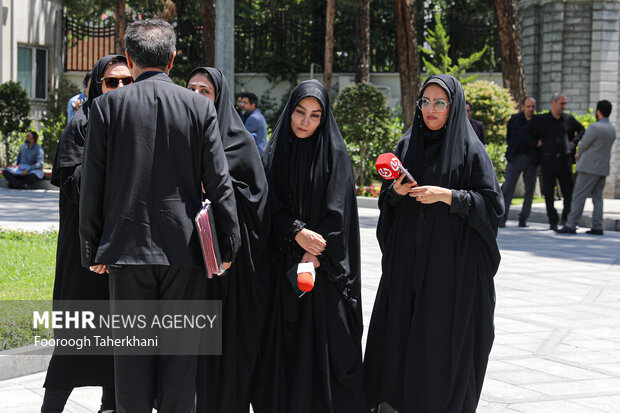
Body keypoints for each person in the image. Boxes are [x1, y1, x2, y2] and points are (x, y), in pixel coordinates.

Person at [79, 19, 240, 413]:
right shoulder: (200, 107)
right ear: (172, 60)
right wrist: (228, 244)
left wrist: (92, 248)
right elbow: (220, 183)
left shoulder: (105, 107)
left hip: (125, 251)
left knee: (131, 366)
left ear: (130, 60)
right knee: (180, 365)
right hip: (185, 253)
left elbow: (92, 186)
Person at [364, 74, 504, 413]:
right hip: (406, 266)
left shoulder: (470, 150)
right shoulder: (407, 145)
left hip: (448, 270)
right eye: (425, 102)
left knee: (438, 340)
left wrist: (449, 196)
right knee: (400, 333)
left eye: (440, 103)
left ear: (454, 108)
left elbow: (492, 206)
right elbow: (388, 203)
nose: (431, 109)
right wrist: (394, 194)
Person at [253, 80, 366, 413]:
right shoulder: (274, 155)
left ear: (323, 118)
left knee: (324, 354)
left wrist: (310, 255)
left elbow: (339, 216)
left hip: (322, 272)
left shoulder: (336, 156)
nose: (305, 122)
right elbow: (265, 207)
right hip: (280, 270)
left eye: (315, 115)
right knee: (282, 352)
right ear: (290, 111)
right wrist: (295, 231)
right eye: (300, 112)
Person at [43, 54, 131, 413]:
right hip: (85, 256)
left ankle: (108, 407)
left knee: (118, 347)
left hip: (122, 253)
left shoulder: (136, 121)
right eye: (112, 82)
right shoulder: (82, 123)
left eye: (128, 81)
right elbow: (73, 182)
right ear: (97, 85)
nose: (121, 89)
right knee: (75, 341)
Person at [186, 67, 270, 413]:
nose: (195, 95)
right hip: (189, 264)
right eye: (189, 88)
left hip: (229, 268)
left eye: (204, 91)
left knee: (225, 346)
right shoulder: (178, 137)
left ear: (218, 98)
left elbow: (258, 202)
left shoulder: (239, 141)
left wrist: (216, 188)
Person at [525, 92, 584, 230]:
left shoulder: (568, 118)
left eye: (565, 104)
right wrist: (535, 143)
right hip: (548, 159)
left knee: (568, 192)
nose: (564, 106)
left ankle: (565, 218)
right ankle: (553, 221)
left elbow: (581, 129)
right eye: (561, 103)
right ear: (553, 103)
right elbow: (526, 131)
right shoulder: (542, 119)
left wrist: (574, 142)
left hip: (565, 159)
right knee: (549, 193)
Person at [557, 100, 616, 235]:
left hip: (588, 168)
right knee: (598, 198)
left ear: (598, 111)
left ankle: (571, 224)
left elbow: (583, 144)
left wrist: (578, 154)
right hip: (602, 168)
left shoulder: (595, 127)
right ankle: (597, 226)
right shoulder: (612, 129)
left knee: (578, 196)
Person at [500, 96, 538, 227]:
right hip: (515, 158)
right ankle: (502, 219)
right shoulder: (515, 119)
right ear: (523, 107)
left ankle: (523, 219)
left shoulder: (537, 121)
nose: (530, 109)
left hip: (531, 159)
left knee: (530, 190)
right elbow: (509, 136)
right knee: (508, 188)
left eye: (533, 107)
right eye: (528, 106)